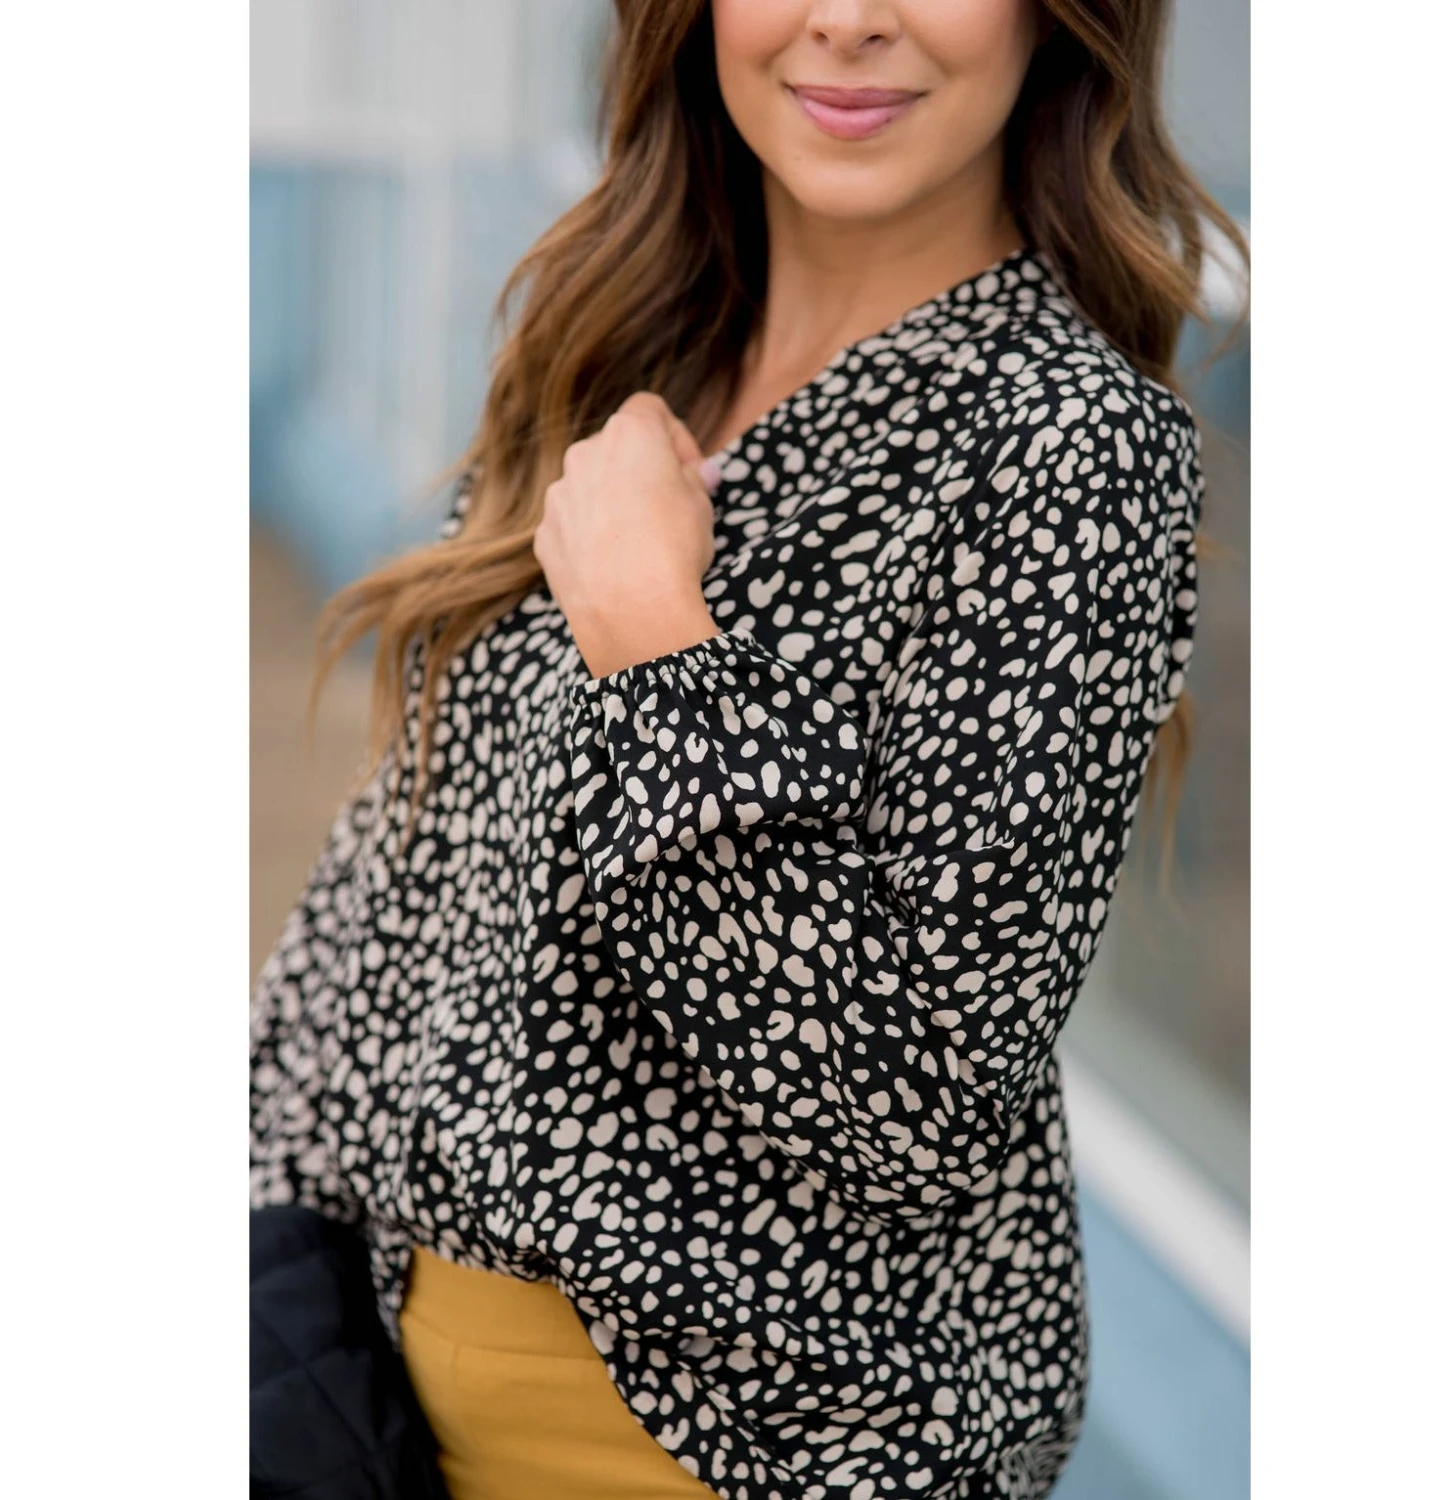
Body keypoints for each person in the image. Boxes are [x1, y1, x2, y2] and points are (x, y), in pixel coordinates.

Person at [250, 2, 1245, 1497]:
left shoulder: (1066, 450)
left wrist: (655, 639)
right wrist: (269, 1216)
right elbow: (416, 862)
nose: (847, 21)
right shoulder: (622, 337)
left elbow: (909, 1100)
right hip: (376, 1405)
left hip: (749, 1457)